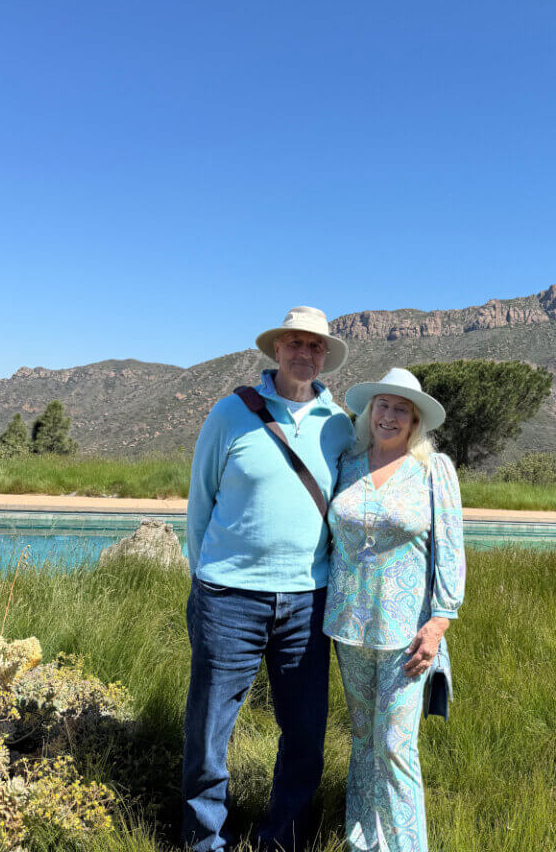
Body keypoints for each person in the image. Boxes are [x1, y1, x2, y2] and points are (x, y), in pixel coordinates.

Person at [182, 306, 355, 852]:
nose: (305, 353)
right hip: (228, 599)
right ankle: (204, 838)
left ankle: (283, 838)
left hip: (308, 601)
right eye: (295, 344)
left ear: (324, 355)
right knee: (210, 731)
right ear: (276, 349)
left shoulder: (341, 425)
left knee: (305, 732)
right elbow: (199, 505)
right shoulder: (230, 414)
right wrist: (208, 577)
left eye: (315, 346)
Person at [323, 367, 466, 852]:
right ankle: (362, 842)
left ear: (414, 420)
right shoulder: (346, 464)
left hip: (407, 633)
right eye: (382, 405)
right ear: (369, 412)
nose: (389, 415)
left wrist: (440, 621)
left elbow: (450, 546)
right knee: (363, 743)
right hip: (348, 626)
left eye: (400, 409)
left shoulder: (432, 470)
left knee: (395, 747)